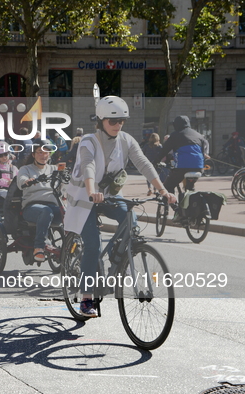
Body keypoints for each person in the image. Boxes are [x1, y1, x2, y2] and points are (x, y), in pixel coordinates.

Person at [64, 96, 176, 318]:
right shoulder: (88, 140)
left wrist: (163, 190)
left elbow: (143, 163)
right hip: (84, 199)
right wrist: (90, 190)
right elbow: (88, 165)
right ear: (100, 120)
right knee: (93, 245)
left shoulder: (126, 140)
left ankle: (116, 261)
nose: (118, 125)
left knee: (131, 222)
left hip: (110, 197)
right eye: (112, 121)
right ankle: (86, 299)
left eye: (121, 121)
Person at [17, 142, 61, 263]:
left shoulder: (54, 169)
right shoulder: (25, 169)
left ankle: (73, 245)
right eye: (40, 152)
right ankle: (39, 247)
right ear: (33, 154)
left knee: (69, 213)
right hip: (32, 207)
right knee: (46, 211)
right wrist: (27, 181)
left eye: (46, 152)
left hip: (53, 205)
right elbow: (21, 181)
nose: (43, 155)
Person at [156, 115, 208, 195]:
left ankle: (174, 206)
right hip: (199, 167)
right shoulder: (198, 135)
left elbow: (164, 150)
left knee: (168, 186)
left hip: (182, 167)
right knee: (190, 187)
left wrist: (155, 161)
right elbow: (204, 151)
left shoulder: (175, 135)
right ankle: (191, 202)